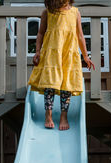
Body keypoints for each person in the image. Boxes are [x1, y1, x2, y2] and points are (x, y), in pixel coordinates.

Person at [28, 0, 95, 130]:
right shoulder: (47, 12)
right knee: (50, 83)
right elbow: (41, 33)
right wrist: (37, 51)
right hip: (52, 53)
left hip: (69, 53)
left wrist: (86, 56)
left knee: (67, 85)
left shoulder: (75, 13)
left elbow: (80, 35)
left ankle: (64, 116)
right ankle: (48, 115)